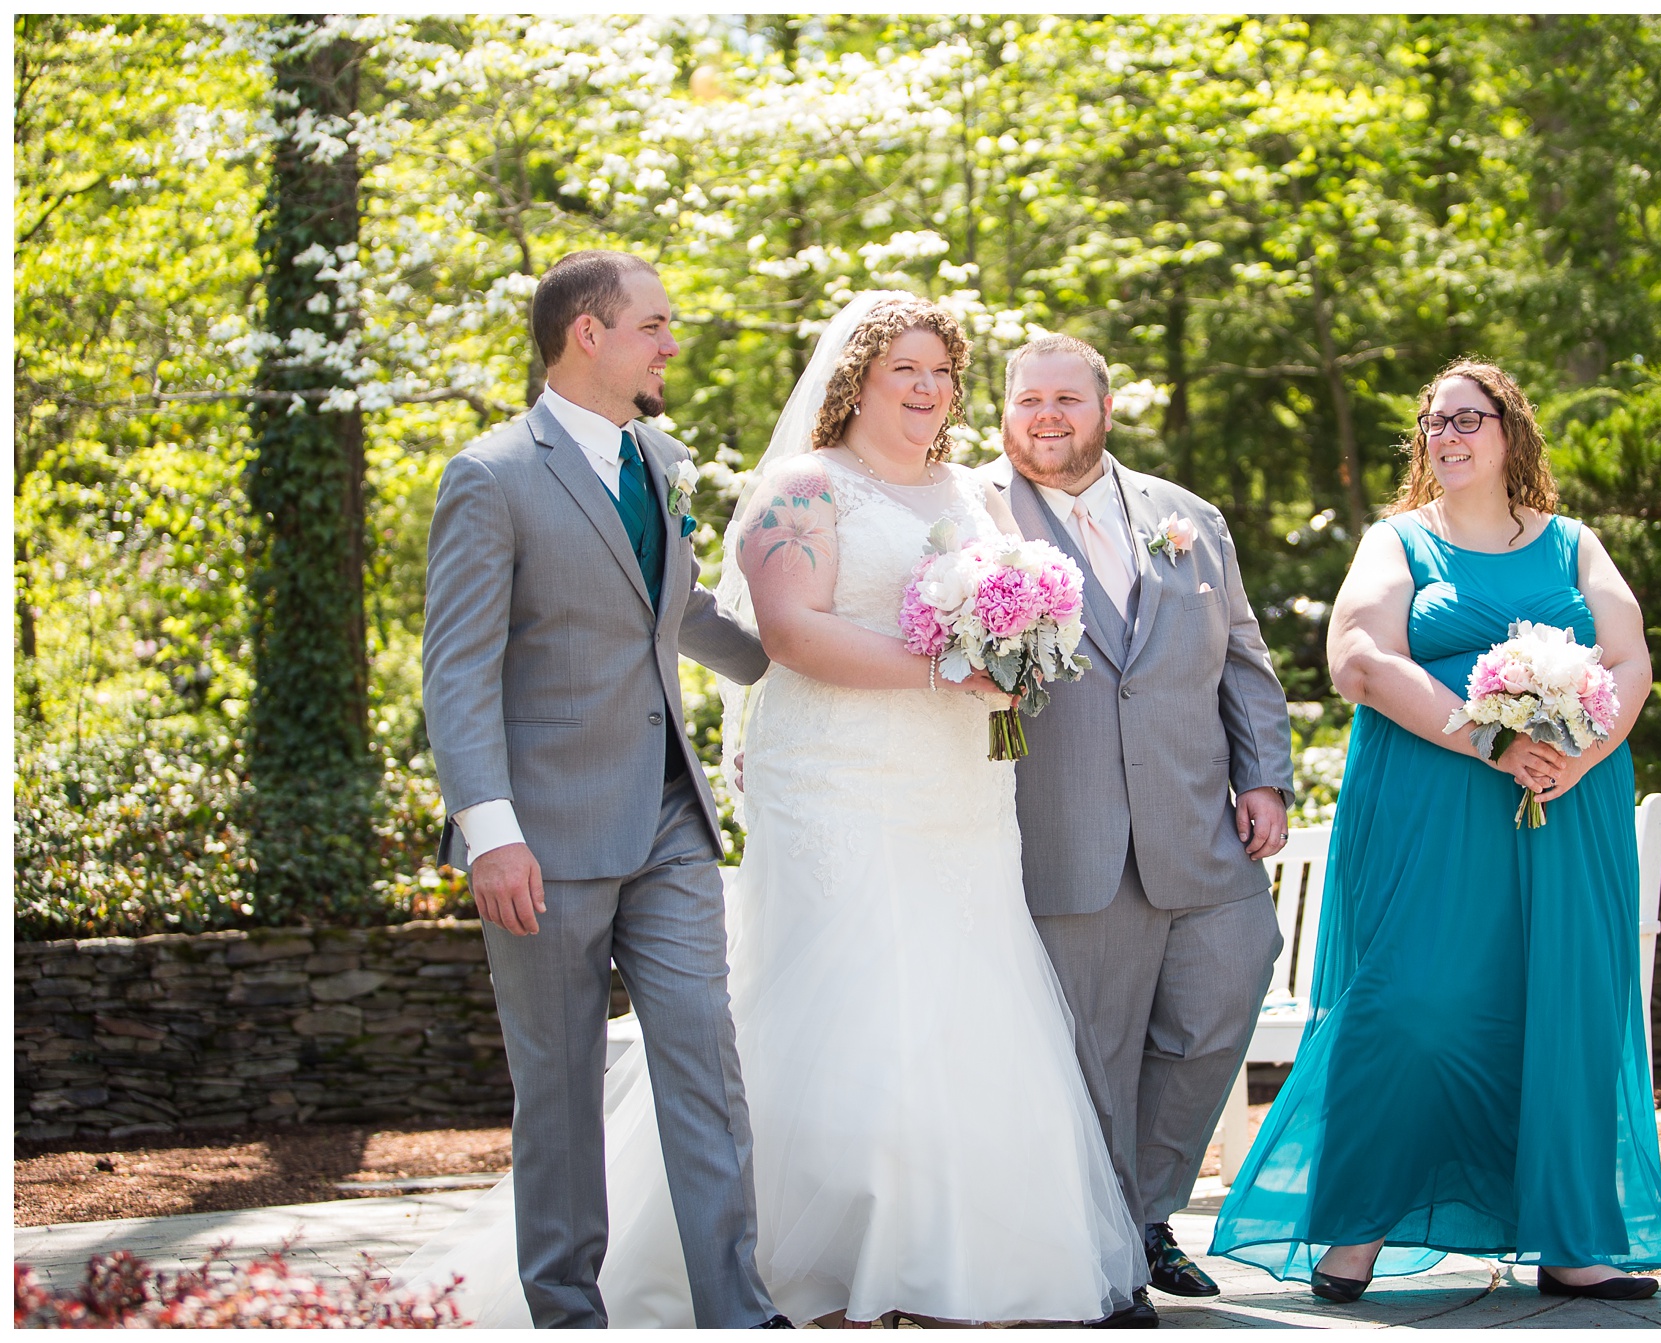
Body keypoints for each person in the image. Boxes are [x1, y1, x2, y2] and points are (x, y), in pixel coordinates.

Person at [404, 292, 1144, 1329]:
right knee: (691, 1040)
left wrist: (1007, 652)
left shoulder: (934, 491)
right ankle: (619, 1295)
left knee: (849, 1020)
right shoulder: (776, 485)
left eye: (942, 372)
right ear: (856, 379)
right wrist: (935, 665)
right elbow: (782, 635)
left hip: (943, 785)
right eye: (906, 371)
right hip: (807, 783)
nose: (928, 390)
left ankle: (826, 1282)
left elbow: (693, 613)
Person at [1207, 359, 1661, 1300]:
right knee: (1408, 1002)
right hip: (1429, 807)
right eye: (1435, 422)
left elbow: (1629, 661)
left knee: (1566, 1007)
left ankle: (1572, 1236)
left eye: (1470, 418)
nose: (1449, 435)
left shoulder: (1575, 546)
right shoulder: (1398, 543)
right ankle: (1355, 1229)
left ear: (1513, 432)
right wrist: (1491, 739)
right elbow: (1356, 658)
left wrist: (1574, 759)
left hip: (1567, 807)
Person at [416, 249, 786, 1329]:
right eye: (654, 325)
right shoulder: (490, 476)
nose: (673, 342)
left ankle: (739, 1310)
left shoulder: (659, 455)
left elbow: (675, 604)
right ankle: (567, 1313)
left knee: (705, 1065)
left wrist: (797, 644)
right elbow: (458, 671)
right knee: (562, 1096)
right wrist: (491, 834)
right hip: (543, 837)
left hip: (670, 820)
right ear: (589, 332)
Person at [982, 335, 1297, 1327]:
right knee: (1095, 1052)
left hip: (1199, 823)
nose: (1044, 414)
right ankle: (1108, 1250)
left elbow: (1242, 658)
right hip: (1061, 827)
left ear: (1102, 408)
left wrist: (1266, 777)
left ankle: (1144, 1209)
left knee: (1222, 998)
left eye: (1064, 398)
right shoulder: (971, 513)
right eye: (1026, 398)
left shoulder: (1185, 517)